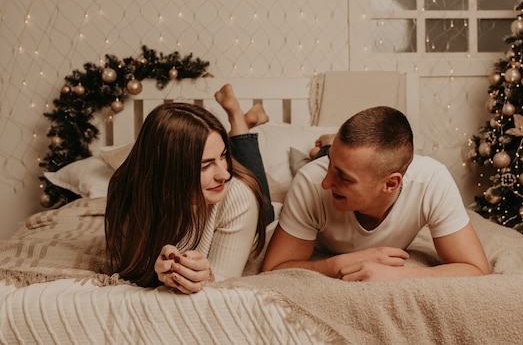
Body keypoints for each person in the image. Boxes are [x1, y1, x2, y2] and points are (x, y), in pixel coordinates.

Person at [261, 106, 490, 281]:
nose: (326, 183)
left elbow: (476, 268)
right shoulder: (310, 183)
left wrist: (399, 276)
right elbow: (273, 270)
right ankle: (324, 151)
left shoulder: (431, 181)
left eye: (344, 177)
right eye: (331, 164)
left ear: (391, 184)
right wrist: (340, 264)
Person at [105, 84, 272, 293]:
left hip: (261, 215)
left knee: (259, 198)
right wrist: (156, 271)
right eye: (205, 165)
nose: (224, 174)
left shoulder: (238, 194)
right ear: (170, 170)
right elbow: (127, 266)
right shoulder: (127, 192)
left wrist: (207, 276)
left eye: (223, 156)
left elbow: (224, 282)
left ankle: (238, 118)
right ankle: (243, 122)